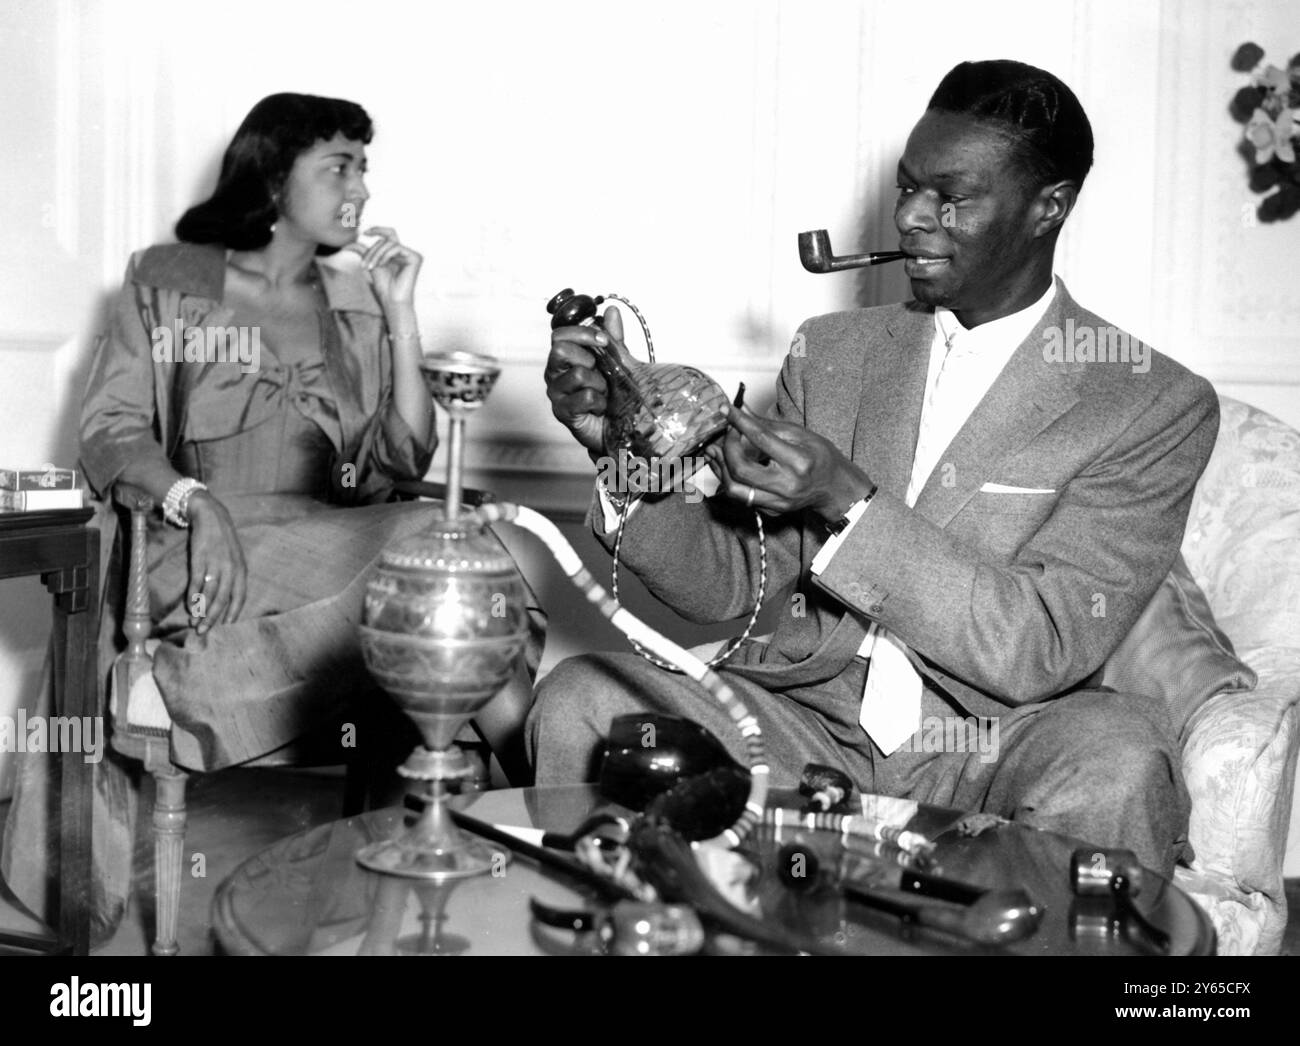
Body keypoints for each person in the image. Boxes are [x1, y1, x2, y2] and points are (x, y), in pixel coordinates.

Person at [533, 60, 1219, 878]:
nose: (913, 218)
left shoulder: (1150, 401)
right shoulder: (834, 354)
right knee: (586, 700)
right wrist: (617, 447)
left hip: (997, 739)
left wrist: (847, 501)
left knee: (1118, 764)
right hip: (806, 720)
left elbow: (1039, 644)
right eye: (906, 189)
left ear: (1049, 208)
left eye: (951, 198)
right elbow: (729, 585)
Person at [3, 93, 542, 940]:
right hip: (191, 549)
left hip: (330, 552)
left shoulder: (352, 298)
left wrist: (400, 312)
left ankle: (541, 802)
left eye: (363, 166)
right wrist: (195, 499)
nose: (359, 187)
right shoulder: (173, 278)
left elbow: (399, 462)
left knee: (437, 559)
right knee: (438, 551)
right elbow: (110, 433)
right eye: (338, 165)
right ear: (273, 174)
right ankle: (547, 804)